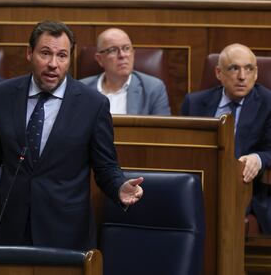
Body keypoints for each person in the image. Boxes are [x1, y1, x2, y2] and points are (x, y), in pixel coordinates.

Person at [0, 20, 144, 250]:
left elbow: (105, 166)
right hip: (11, 229)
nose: (53, 63)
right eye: (45, 53)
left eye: (62, 55)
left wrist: (118, 186)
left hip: (66, 232)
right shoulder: (4, 95)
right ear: (29, 54)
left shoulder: (93, 104)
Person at [181, 43, 271, 233]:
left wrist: (258, 158)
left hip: (245, 187)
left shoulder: (267, 103)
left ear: (256, 74)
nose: (242, 76)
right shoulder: (195, 103)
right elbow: (182, 150)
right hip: (201, 184)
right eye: (233, 68)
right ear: (218, 73)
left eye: (249, 69)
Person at [79, 28, 170, 115]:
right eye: (113, 50)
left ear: (133, 54)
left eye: (126, 48)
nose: (122, 55)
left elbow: (163, 130)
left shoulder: (153, 89)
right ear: (100, 59)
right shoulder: (81, 89)